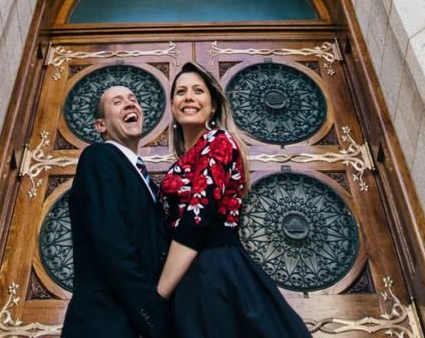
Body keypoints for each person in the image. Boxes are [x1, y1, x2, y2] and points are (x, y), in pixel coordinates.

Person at [157, 62, 309, 338]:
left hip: (216, 273)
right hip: (187, 276)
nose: (188, 97)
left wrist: (158, 296)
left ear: (213, 106)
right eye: (180, 92)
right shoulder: (183, 161)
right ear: (173, 107)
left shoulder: (219, 141)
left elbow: (197, 219)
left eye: (198, 91)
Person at [62, 84, 171, 338]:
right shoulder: (98, 157)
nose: (131, 103)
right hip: (105, 323)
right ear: (100, 125)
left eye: (133, 99)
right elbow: (111, 240)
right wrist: (153, 313)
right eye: (117, 101)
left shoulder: (146, 181)